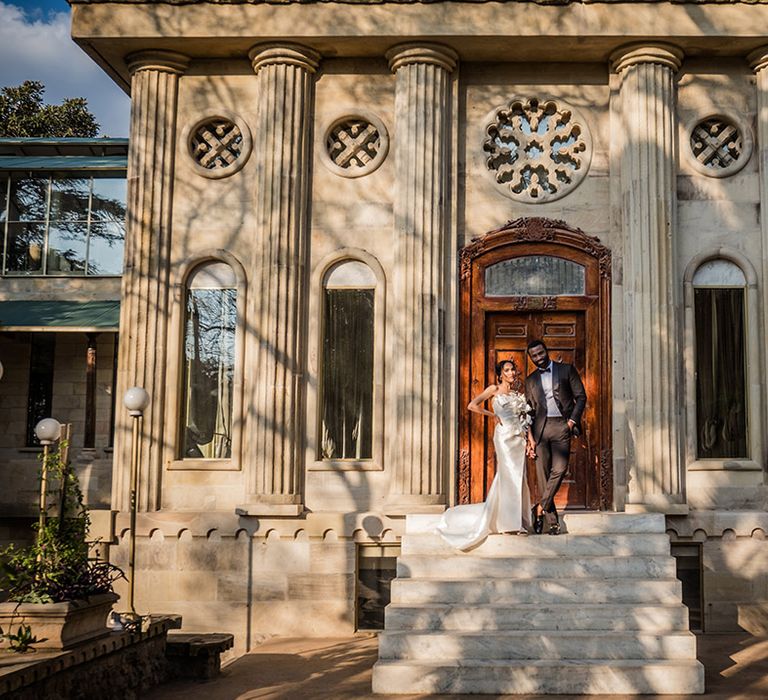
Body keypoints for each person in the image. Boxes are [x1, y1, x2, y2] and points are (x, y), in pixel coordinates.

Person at [435, 359, 532, 550]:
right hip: (504, 438)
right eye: (507, 370)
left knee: (519, 477)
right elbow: (472, 405)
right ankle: (508, 524)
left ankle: (517, 519)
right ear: (500, 373)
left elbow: (523, 417)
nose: (511, 373)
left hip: (518, 438)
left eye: (513, 370)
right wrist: (492, 415)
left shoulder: (517, 394)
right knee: (508, 475)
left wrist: (528, 438)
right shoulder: (493, 389)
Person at [524, 339, 586, 536]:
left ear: (546, 351)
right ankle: (552, 521)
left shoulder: (566, 370)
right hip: (540, 430)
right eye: (534, 356)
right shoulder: (530, 380)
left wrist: (571, 422)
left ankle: (539, 508)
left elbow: (581, 396)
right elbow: (529, 411)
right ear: (531, 358)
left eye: (541, 353)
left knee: (560, 469)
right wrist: (530, 439)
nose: (538, 358)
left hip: (562, 425)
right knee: (542, 475)